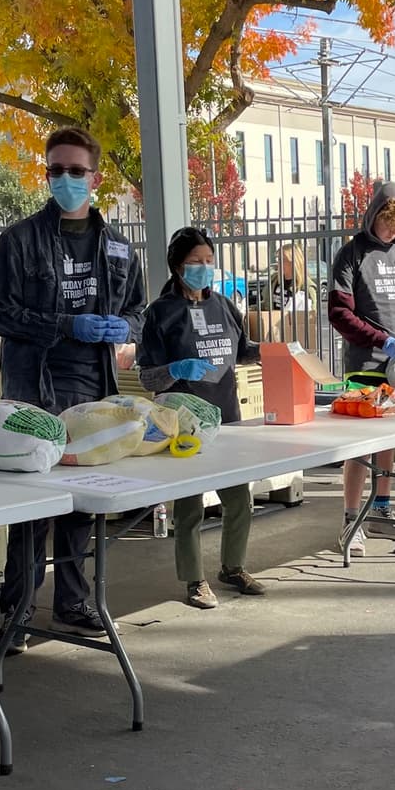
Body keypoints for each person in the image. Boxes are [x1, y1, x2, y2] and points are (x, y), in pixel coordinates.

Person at [0, 125, 144, 649]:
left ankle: (74, 603)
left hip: (94, 387)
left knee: (84, 505)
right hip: (33, 385)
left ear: (95, 178)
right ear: (47, 174)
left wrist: (127, 328)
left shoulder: (119, 248)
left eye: (76, 171)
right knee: (31, 509)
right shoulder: (18, 240)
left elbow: (138, 311)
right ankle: (18, 613)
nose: (66, 180)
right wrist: (63, 324)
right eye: (57, 170)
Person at [137, 227, 265, 609]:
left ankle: (233, 567)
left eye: (209, 261)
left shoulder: (225, 306)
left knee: (239, 498)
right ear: (177, 266)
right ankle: (194, 580)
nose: (204, 268)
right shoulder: (160, 313)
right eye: (196, 262)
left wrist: (276, 353)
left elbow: (243, 351)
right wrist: (176, 367)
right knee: (190, 506)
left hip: (226, 415)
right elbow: (147, 376)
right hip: (183, 422)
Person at [328, 180, 395, 555]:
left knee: (390, 441)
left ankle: (381, 510)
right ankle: (352, 517)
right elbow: (339, 312)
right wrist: (378, 339)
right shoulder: (351, 255)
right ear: (375, 215)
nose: (394, 232)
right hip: (365, 364)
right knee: (360, 446)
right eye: (390, 224)